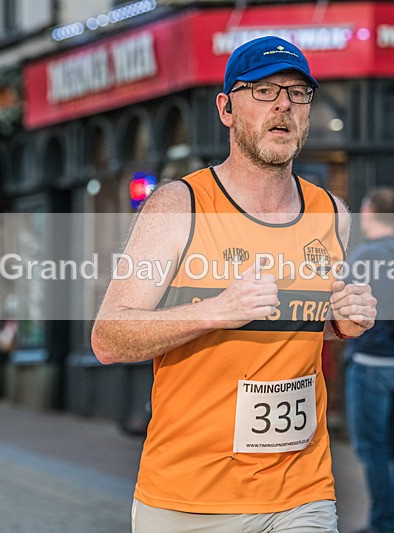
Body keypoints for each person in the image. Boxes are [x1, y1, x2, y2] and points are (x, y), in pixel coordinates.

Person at [92, 36, 377, 532]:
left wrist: (344, 321)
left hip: (301, 492)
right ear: (226, 108)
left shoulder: (333, 214)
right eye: (264, 91)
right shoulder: (179, 206)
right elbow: (109, 337)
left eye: (297, 92)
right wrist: (215, 310)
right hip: (190, 499)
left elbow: (299, 323)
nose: (284, 104)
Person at [344, 187, 394, 533]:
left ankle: (383, 525)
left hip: (371, 363)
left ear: (367, 212)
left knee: (372, 448)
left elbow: (341, 310)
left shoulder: (363, 257)